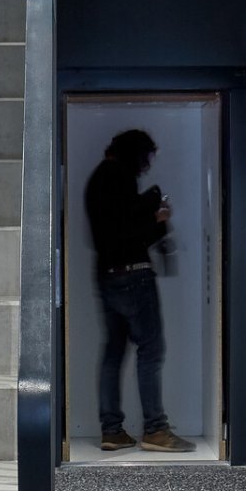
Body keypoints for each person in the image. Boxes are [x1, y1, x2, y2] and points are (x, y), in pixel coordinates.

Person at [84, 128, 193, 453]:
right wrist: (158, 218)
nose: (146, 166)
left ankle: (112, 430)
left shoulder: (97, 179)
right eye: (145, 159)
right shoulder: (119, 177)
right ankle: (156, 429)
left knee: (114, 352)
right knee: (151, 350)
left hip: (107, 276)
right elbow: (130, 235)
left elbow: (108, 235)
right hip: (134, 275)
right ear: (135, 154)